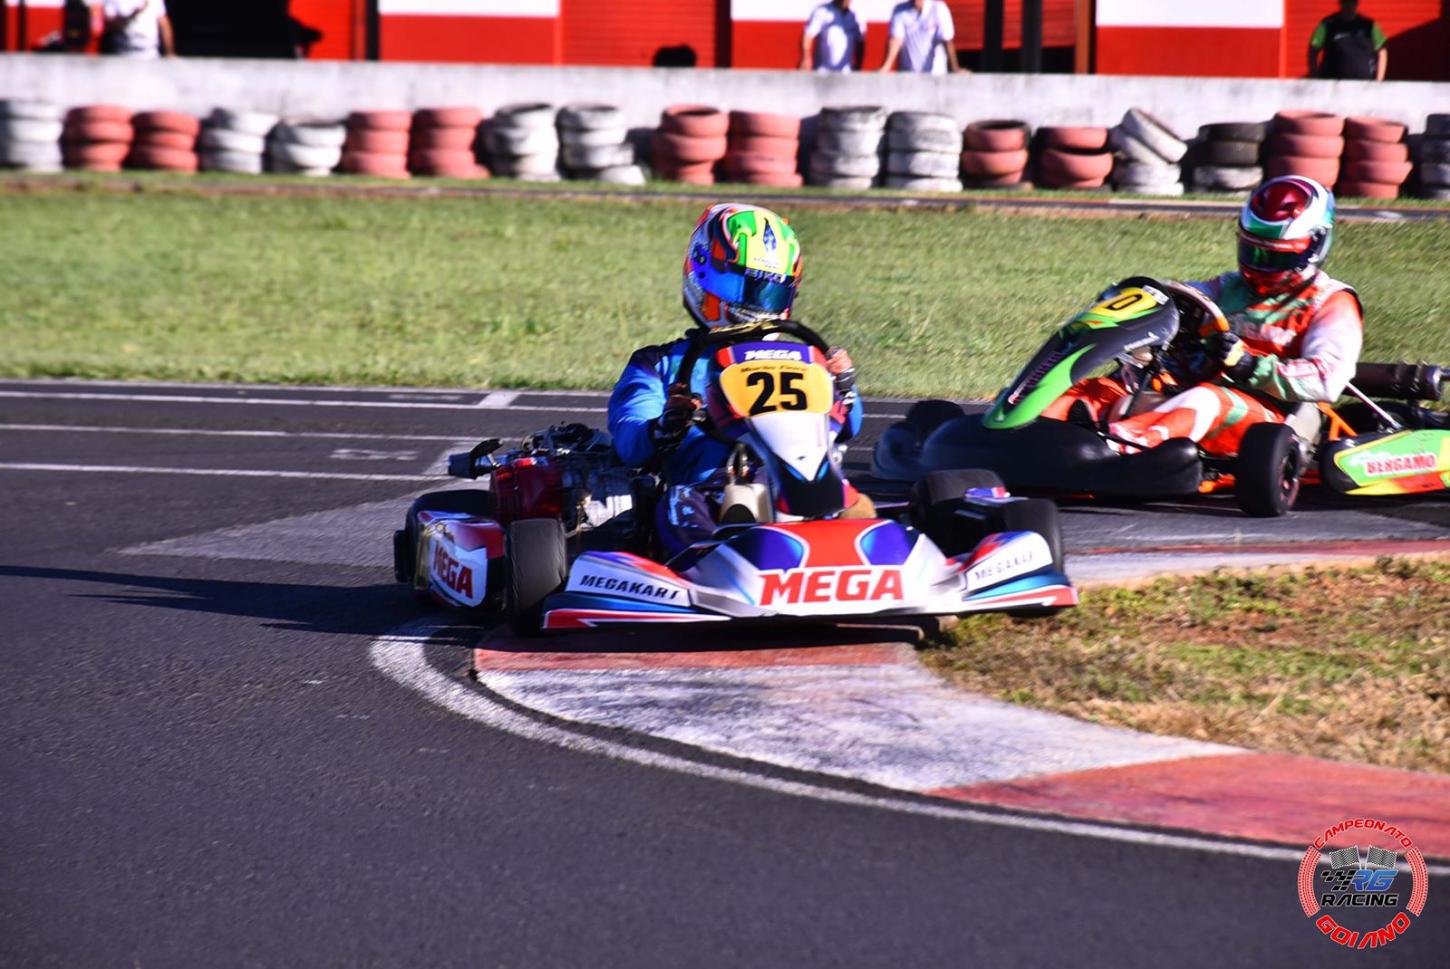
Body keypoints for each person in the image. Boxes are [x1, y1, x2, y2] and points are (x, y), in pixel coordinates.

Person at [1055, 177, 1363, 457]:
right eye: (1253, 251)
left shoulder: (1331, 302)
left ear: (1315, 246)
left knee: (1207, 400)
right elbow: (1178, 295)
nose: (1259, 265)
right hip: (1188, 390)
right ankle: (1027, 429)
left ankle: (1113, 448)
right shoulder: (1230, 288)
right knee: (1111, 388)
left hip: (1275, 418)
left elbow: (1326, 379)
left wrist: (1248, 365)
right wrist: (1124, 302)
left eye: (1275, 256)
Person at [608, 203, 870, 523]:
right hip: (704, 497)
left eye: (770, 293)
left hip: (797, 491)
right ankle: (735, 541)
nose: (757, 306)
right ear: (702, 272)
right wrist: (666, 426)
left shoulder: (803, 361)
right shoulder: (659, 365)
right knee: (688, 508)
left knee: (856, 507)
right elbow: (629, 445)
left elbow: (846, 428)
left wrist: (846, 389)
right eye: (744, 287)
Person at [1309, 0, 1388, 81]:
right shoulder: (1327, 24)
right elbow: (1313, 49)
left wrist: (1379, 80)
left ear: (1357, 3)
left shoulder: (1369, 25)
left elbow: (1382, 51)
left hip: (1364, 85)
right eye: (1346, 2)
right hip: (1332, 85)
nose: (1349, 5)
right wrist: (1314, 76)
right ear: (1340, 3)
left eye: (1352, 2)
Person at [880, 0, 960, 74]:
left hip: (935, 75)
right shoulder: (900, 11)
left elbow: (946, 40)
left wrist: (955, 68)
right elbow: (896, 40)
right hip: (908, 76)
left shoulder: (939, 9)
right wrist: (885, 67)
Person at [800, 0, 866, 73]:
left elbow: (860, 42)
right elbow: (809, 35)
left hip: (846, 72)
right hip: (822, 71)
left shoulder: (857, 14)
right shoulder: (822, 11)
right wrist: (806, 58)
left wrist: (859, 65)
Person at [99, 0, 175, 58]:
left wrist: (170, 53)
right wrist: (133, 14)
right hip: (123, 54)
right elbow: (107, 24)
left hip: (149, 53)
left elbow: (163, 23)